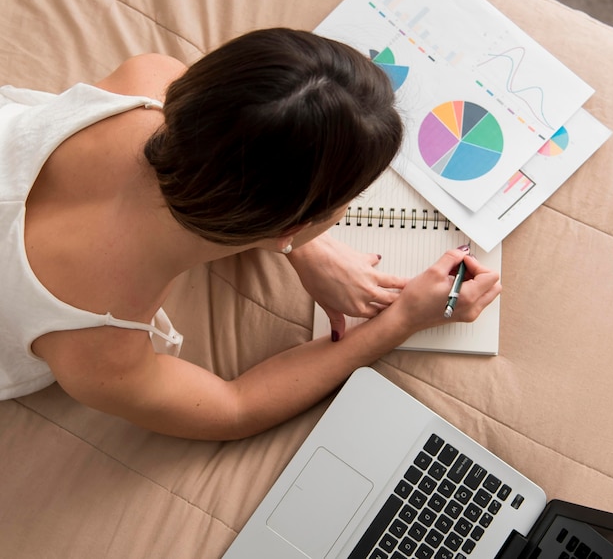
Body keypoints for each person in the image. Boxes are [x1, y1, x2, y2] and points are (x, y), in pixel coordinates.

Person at [0, 28, 501, 440]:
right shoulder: (95, 347)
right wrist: (403, 320)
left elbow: (226, 149)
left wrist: (304, 248)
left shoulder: (150, 81)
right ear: (293, 222)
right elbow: (232, 408)